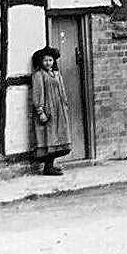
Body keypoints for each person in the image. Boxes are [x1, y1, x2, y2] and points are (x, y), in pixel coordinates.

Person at [31, 46, 72, 176]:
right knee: (49, 137)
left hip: (59, 109)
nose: (48, 63)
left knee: (59, 137)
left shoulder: (57, 74)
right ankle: (47, 167)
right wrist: (40, 111)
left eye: (50, 60)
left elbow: (62, 90)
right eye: (45, 60)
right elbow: (38, 93)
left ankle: (51, 165)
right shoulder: (39, 75)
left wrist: (65, 104)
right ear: (41, 62)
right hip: (48, 109)